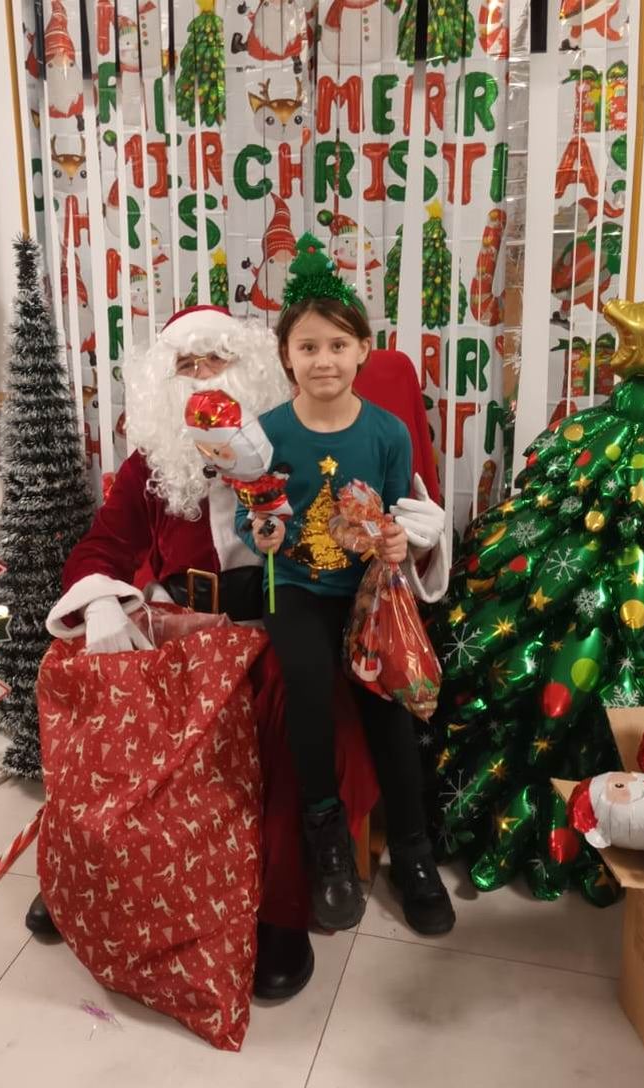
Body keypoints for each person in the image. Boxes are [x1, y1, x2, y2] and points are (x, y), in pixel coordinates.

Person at [42, 302, 449, 998]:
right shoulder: (153, 465)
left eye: (218, 360)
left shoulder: (284, 440)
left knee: (291, 705)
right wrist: (102, 600)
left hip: (272, 622)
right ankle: (90, 870)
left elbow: (384, 520)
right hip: (181, 626)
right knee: (90, 689)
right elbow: (104, 544)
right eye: (186, 364)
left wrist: (406, 538)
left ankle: (280, 910)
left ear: (255, 367)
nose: (203, 376)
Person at [235, 235, 455, 935]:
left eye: (337, 345)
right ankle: (325, 838)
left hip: (369, 592)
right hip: (296, 586)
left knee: (387, 702)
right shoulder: (265, 434)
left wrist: (397, 541)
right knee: (306, 682)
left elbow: (401, 515)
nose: (323, 359)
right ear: (286, 357)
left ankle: (413, 850)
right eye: (308, 347)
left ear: (363, 349)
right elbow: (250, 518)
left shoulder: (387, 433)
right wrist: (262, 534)